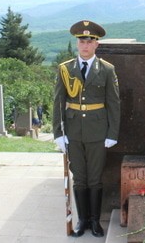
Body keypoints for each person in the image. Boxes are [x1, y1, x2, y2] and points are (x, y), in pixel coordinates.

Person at [53, 20, 121, 237]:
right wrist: (57, 134)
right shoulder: (65, 69)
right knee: (80, 177)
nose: (85, 45)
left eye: (89, 41)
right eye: (81, 41)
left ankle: (95, 221)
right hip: (73, 131)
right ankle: (82, 221)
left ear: (96, 45)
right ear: (77, 43)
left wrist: (112, 133)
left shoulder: (107, 70)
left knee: (95, 178)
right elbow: (57, 102)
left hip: (97, 132)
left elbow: (114, 103)